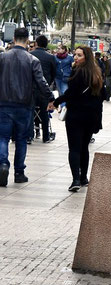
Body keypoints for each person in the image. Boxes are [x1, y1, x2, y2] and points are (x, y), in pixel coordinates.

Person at [0, 27, 54, 187]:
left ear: (14, 38)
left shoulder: (2, 57)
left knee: (3, 137)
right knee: (21, 140)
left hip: (3, 103)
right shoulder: (32, 60)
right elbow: (41, 82)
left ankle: (2, 164)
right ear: (28, 39)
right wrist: (51, 98)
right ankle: (19, 172)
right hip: (24, 105)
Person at [51, 45, 106, 192]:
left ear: (86, 57)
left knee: (74, 148)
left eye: (79, 55)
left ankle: (76, 179)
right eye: (75, 55)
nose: (75, 57)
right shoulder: (97, 73)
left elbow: (71, 93)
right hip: (91, 116)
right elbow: (103, 95)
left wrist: (56, 102)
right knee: (84, 148)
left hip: (76, 115)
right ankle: (84, 178)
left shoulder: (78, 72)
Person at [31, 35, 57, 143]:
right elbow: (54, 73)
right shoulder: (50, 57)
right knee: (44, 112)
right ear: (46, 44)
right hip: (44, 89)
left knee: (30, 112)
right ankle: (45, 136)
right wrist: (49, 84)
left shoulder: (29, 55)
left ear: (36, 43)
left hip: (31, 89)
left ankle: (29, 136)